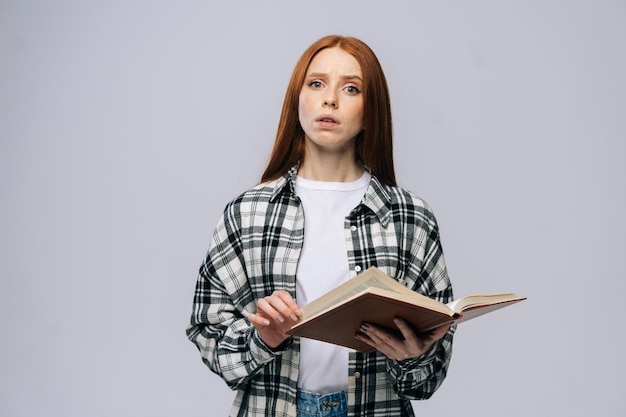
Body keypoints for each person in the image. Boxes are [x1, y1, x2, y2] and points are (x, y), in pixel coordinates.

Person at [186, 34, 455, 417]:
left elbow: (428, 379)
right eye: (316, 84)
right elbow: (207, 331)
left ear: (370, 109)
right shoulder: (247, 213)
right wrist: (264, 339)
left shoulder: (410, 218)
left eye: (351, 88)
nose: (330, 99)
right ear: (298, 99)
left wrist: (413, 358)